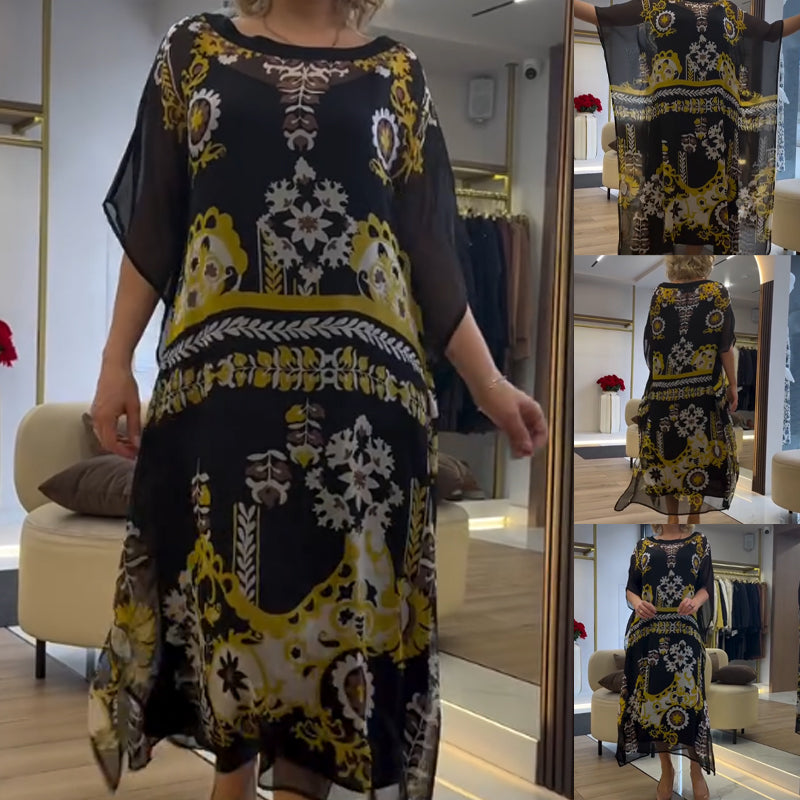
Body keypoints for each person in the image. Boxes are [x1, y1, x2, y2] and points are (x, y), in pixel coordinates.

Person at [86, 2, 548, 800]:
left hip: (364, 414)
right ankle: (232, 781)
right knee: (226, 626)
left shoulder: (397, 75)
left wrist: (490, 384)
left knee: (336, 650)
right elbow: (155, 219)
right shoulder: (192, 51)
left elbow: (431, 251)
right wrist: (114, 361)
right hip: (221, 402)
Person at [574, 0, 800, 255]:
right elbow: (600, 15)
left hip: (718, 127)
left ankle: (698, 257)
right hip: (667, 123)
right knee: (662, 196)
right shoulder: (654, 5)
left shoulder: (728, 10)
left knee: (713, 196)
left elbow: (772, 31)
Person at [615, 255, 739, 522]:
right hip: (704, 392)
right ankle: (694, 516)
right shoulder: (717, 292)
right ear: (705, 261)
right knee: (702, 456)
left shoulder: (660, 294)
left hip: (664, 393)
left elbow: (651, 346)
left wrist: (665, 378)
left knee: (666, 456)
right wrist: (733, 386)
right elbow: (725, 347)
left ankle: (672, 517)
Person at [620, 524, 714, 800]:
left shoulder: (700, 542)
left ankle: (696, 769)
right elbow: (631, 588)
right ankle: (667, 769)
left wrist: (696, 602)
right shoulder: (643, 546)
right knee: (654, 704)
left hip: (685, 633)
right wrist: (637, 603)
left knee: (691, 702)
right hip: (647, 633)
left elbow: (706, 585)